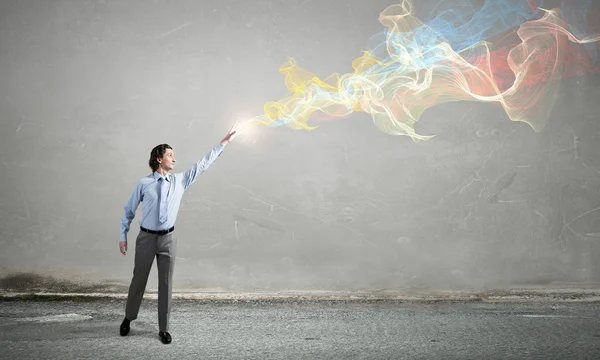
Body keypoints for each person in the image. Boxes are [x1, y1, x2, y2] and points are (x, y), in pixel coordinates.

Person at [118, 124, 239, 344]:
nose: (174, 158)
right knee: (138, 281)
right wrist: (123, 235)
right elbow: (128, 211)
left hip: (168, 239)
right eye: (170, 155)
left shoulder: (180, 180)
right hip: (146, 238)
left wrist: (224, 142)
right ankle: (128, 318)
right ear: (158, 158)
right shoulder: (144, 184)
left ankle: (163, 329)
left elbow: (203, 165)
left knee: (166, 283)